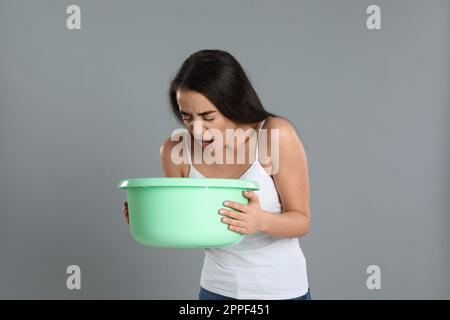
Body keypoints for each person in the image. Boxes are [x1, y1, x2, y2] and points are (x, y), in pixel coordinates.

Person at [122, 49, 311, 300]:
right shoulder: (175, 151)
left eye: (208, 116)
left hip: (281, 290)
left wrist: (260, 221)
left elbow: (301, 221)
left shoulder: (275, 136)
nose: (197, 130)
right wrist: (150, 215)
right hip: (216, 289)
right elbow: (188, 227)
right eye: (186, 117)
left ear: (232, 104)